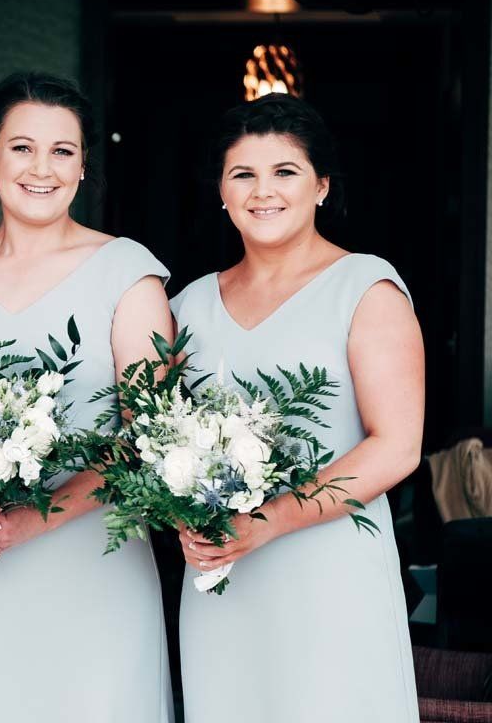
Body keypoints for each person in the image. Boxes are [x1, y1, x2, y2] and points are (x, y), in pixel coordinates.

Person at [0, 72, 174, 721]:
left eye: (63, 151)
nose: (42, 169)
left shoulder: (127, 273)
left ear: (84, 166)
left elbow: (145, 441)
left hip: (96, 571)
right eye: (22, 147)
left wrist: (35, 518)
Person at [171, 93, 422, 723]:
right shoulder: (189, 306)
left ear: (321, 186)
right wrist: (177, 514)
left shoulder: (366, 287)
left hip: (332, 571)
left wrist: (270, 521)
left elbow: (395, 446)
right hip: (220, 577)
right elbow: (158, 438)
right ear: (221, 193)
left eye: (284, 172)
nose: (264, 191)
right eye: (243, 174)